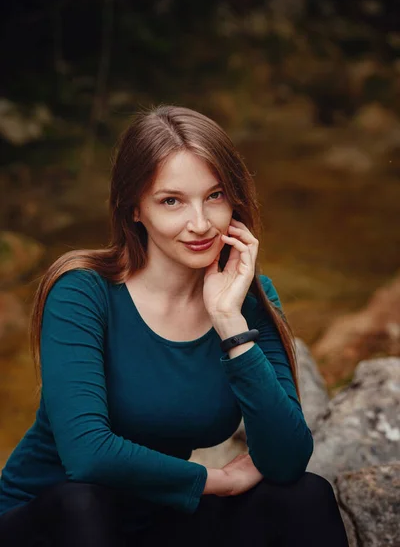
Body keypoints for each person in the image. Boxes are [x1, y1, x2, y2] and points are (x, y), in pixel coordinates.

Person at [0, 105, 349, 546]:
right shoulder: (82, 291)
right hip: (51, 518)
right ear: (134, 210)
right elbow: (88, 455)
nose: (200, 224)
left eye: (215, 196)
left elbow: (286, 461)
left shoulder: (247, 296)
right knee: (84, 503)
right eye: (171, 201)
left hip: (158, 513)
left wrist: (229, 322)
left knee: (304, 497)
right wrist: (215, 478)